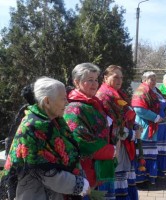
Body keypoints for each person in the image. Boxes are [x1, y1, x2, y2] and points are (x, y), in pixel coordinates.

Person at [0, 77, 90, 200]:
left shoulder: (55, 122)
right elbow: (46, 172)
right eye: (63, 98)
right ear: (47, 101)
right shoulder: (34, 126)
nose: (67, 102)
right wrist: (79, 185)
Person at [63, 63, 116, 199]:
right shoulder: (74, 108)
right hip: (84, 170)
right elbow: (80, 140)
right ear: (76, 82)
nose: (94, 84)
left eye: (96, 79)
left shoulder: (93, 103)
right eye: (89, 80)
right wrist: (111, 151)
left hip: (98, 168)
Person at [96, 65, 141, 200]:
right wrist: (131, 134)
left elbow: (126, 117)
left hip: (123, 143)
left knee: (123, 180)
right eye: (115, 77)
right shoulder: (104, 96)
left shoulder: (119, 94)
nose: (119, 80)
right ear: (105, 77)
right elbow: (110, 128)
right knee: (116, 183)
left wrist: (135, 126)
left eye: (121, 77)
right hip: (115, 145)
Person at [131, 71, 164, 185]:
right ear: (144, 80)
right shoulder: (141, 91)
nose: (154, 81)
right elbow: (139, 109)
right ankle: (140, 179)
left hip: (152, 127)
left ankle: (149, 177)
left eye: (155, 79)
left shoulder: (152, 91)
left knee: (150, 154)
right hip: (144, 127)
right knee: (143, 153)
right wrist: (155, 117)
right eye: (151, 79)